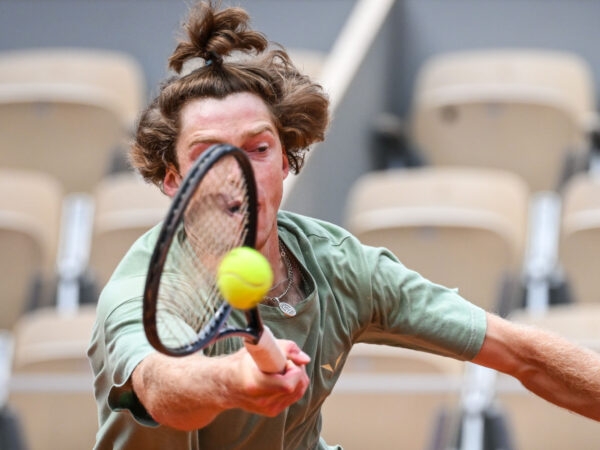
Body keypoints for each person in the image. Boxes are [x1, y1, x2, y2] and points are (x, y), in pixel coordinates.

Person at [88, 1, 600, 449]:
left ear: (286, 159)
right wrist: (234, 379)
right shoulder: (146, 291)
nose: (235, 175)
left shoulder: (337, 264)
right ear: (174, 181)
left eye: (257, 149)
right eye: (208, 157)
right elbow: (160, 387)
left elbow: (522, 354)